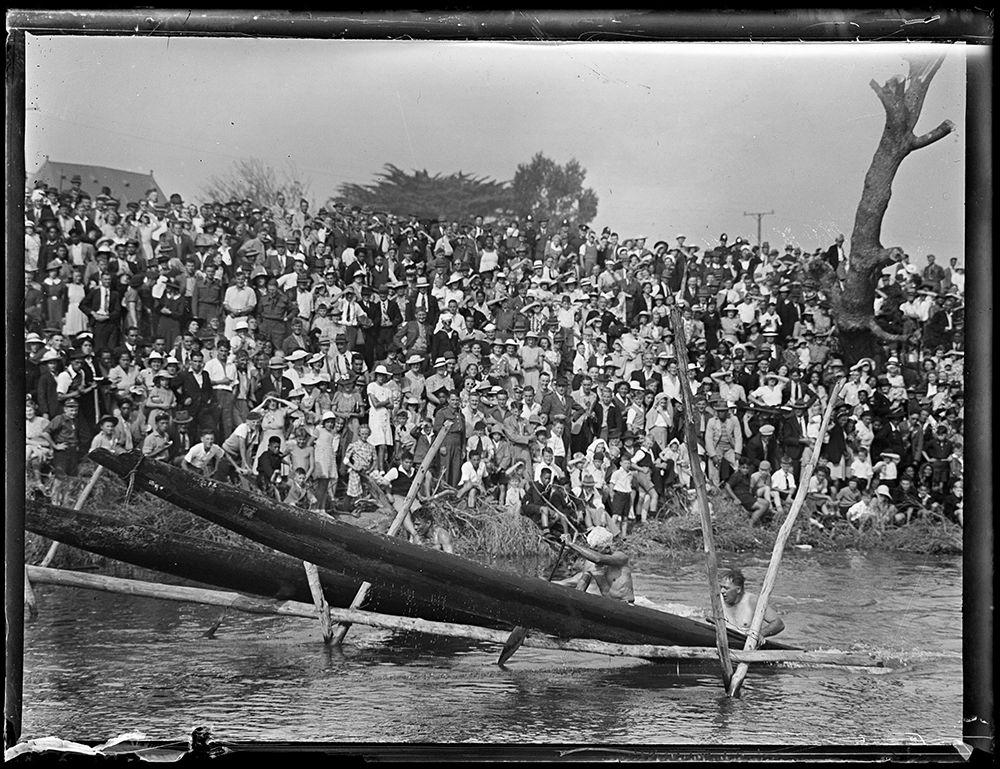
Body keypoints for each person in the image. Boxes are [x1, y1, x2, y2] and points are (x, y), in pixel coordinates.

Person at [555, 527, 635, 603]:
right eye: (592, 549)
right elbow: (580, 589)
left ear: (607, 548)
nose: (593, 551)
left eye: (596, 549)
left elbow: (598, 559)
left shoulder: (621, 557)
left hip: (625, 604)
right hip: (608, 605)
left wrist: (571, 544)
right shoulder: (589, 564)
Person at [719, 568, 785, 641]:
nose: (722, 591)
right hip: (724, 640)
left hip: (745, 642)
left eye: (726, 588)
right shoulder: (718, 600)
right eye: (721, 587)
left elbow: (778, 624)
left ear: (738, 590)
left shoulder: (752, 601)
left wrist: (761, 634)